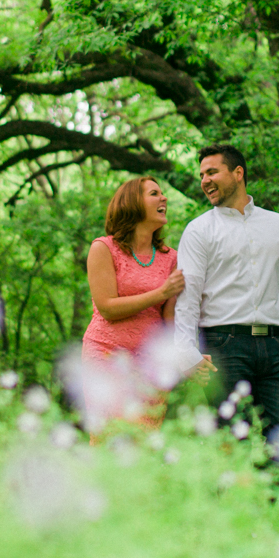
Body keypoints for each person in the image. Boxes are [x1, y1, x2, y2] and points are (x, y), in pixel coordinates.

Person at [172, 143, 279, 441]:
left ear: (238, 173)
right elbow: (188, 296)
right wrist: (186, 350)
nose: (204, 180)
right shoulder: (198, 230)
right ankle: (242, 487)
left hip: (276, 347)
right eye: (202, 174)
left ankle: (261, 490)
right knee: (232, 443)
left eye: (212, 172)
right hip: (223, 348)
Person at [80, 176, 185, 433]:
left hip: (151, 364)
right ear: (132, 203)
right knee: (109, 437)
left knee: (144, 443)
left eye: (162, 193)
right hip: (106, 355)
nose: (164, 198)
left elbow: (169, 319)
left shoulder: (171, 258)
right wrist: (160, 292)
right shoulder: (103, 248)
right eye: (154, 193)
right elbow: (107, 308)